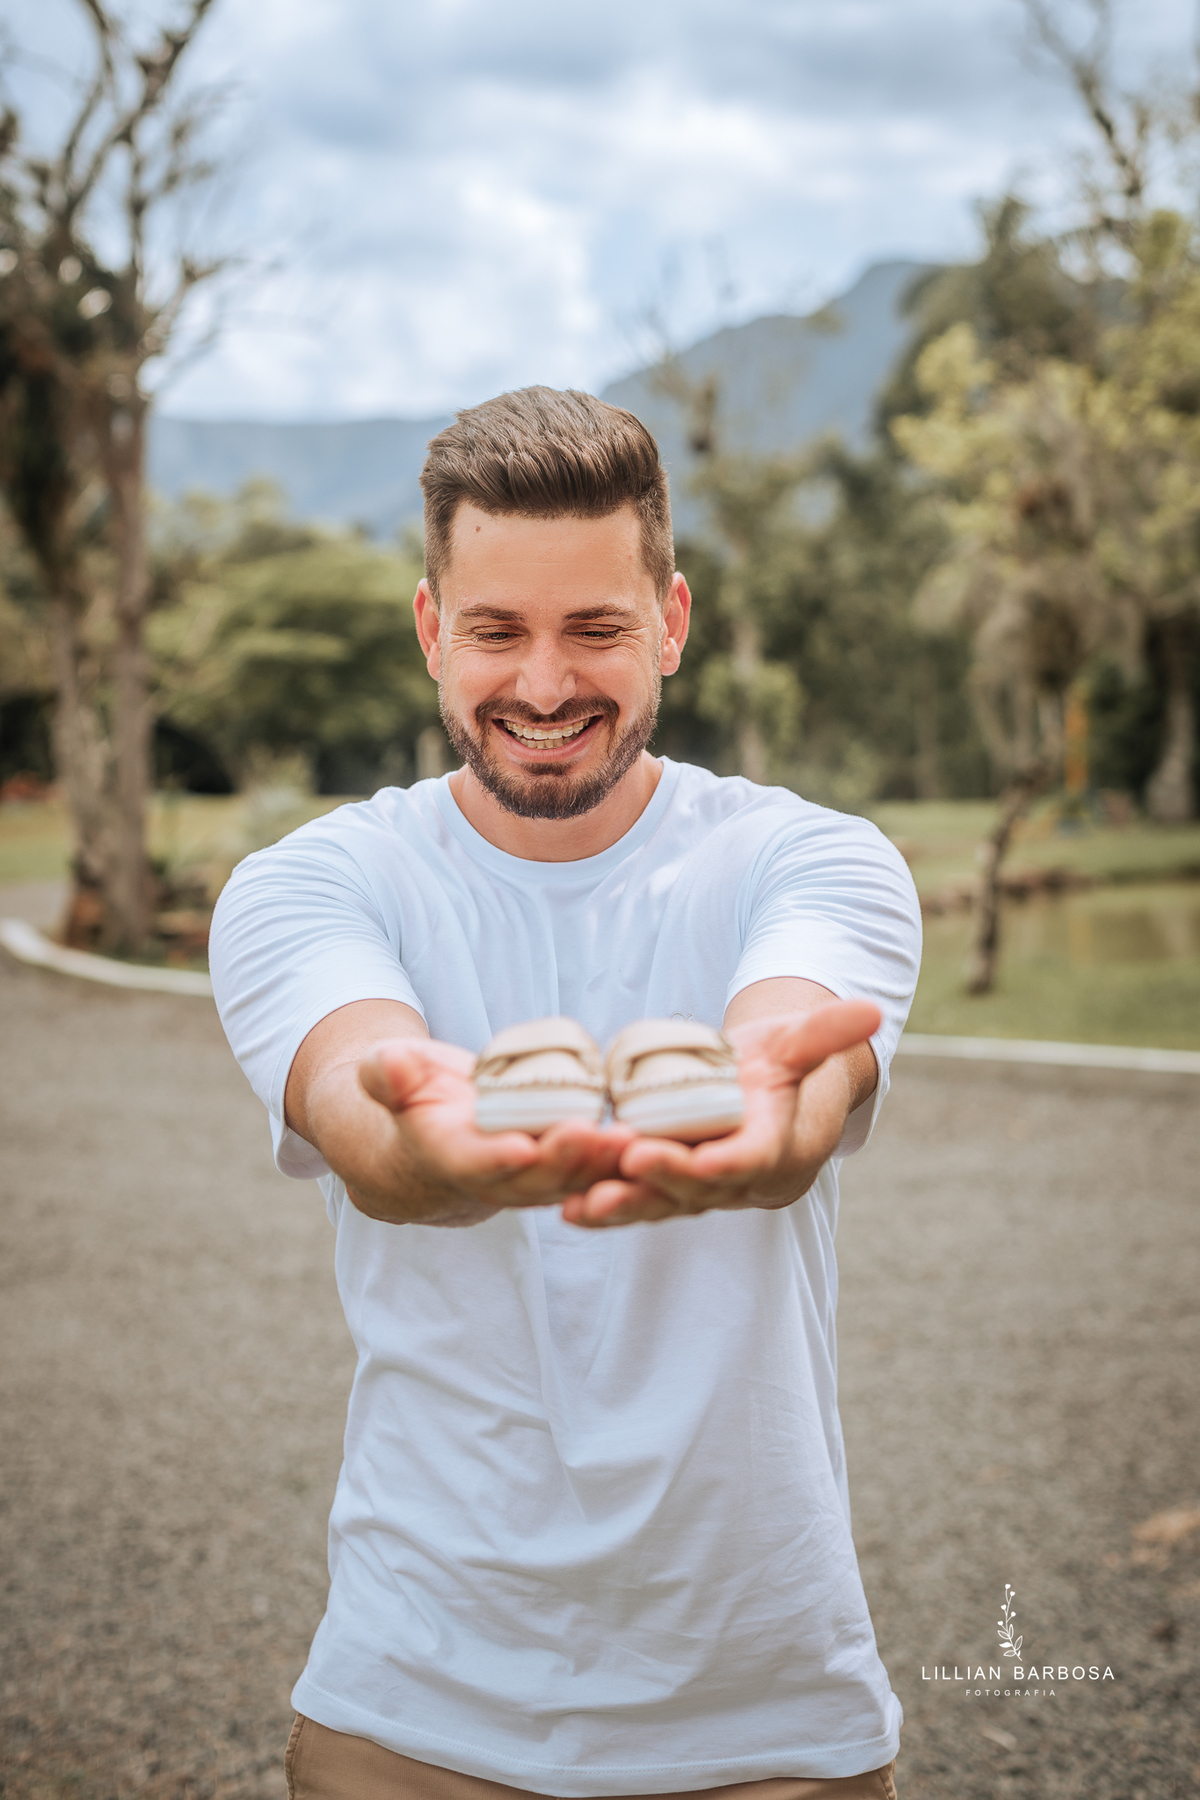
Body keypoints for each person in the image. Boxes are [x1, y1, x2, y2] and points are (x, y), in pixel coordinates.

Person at [210, 386, 921, 1800]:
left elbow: (796, 1064)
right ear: (431, 631)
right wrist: (431, 1148)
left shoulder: (815, 860)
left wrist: (772, 1122)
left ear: (671, 619)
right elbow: (371, 1131)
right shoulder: (314, 884)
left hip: (768, 1720)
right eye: (496, 631)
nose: (543, 684)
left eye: (594, 628)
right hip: (409, 1724)